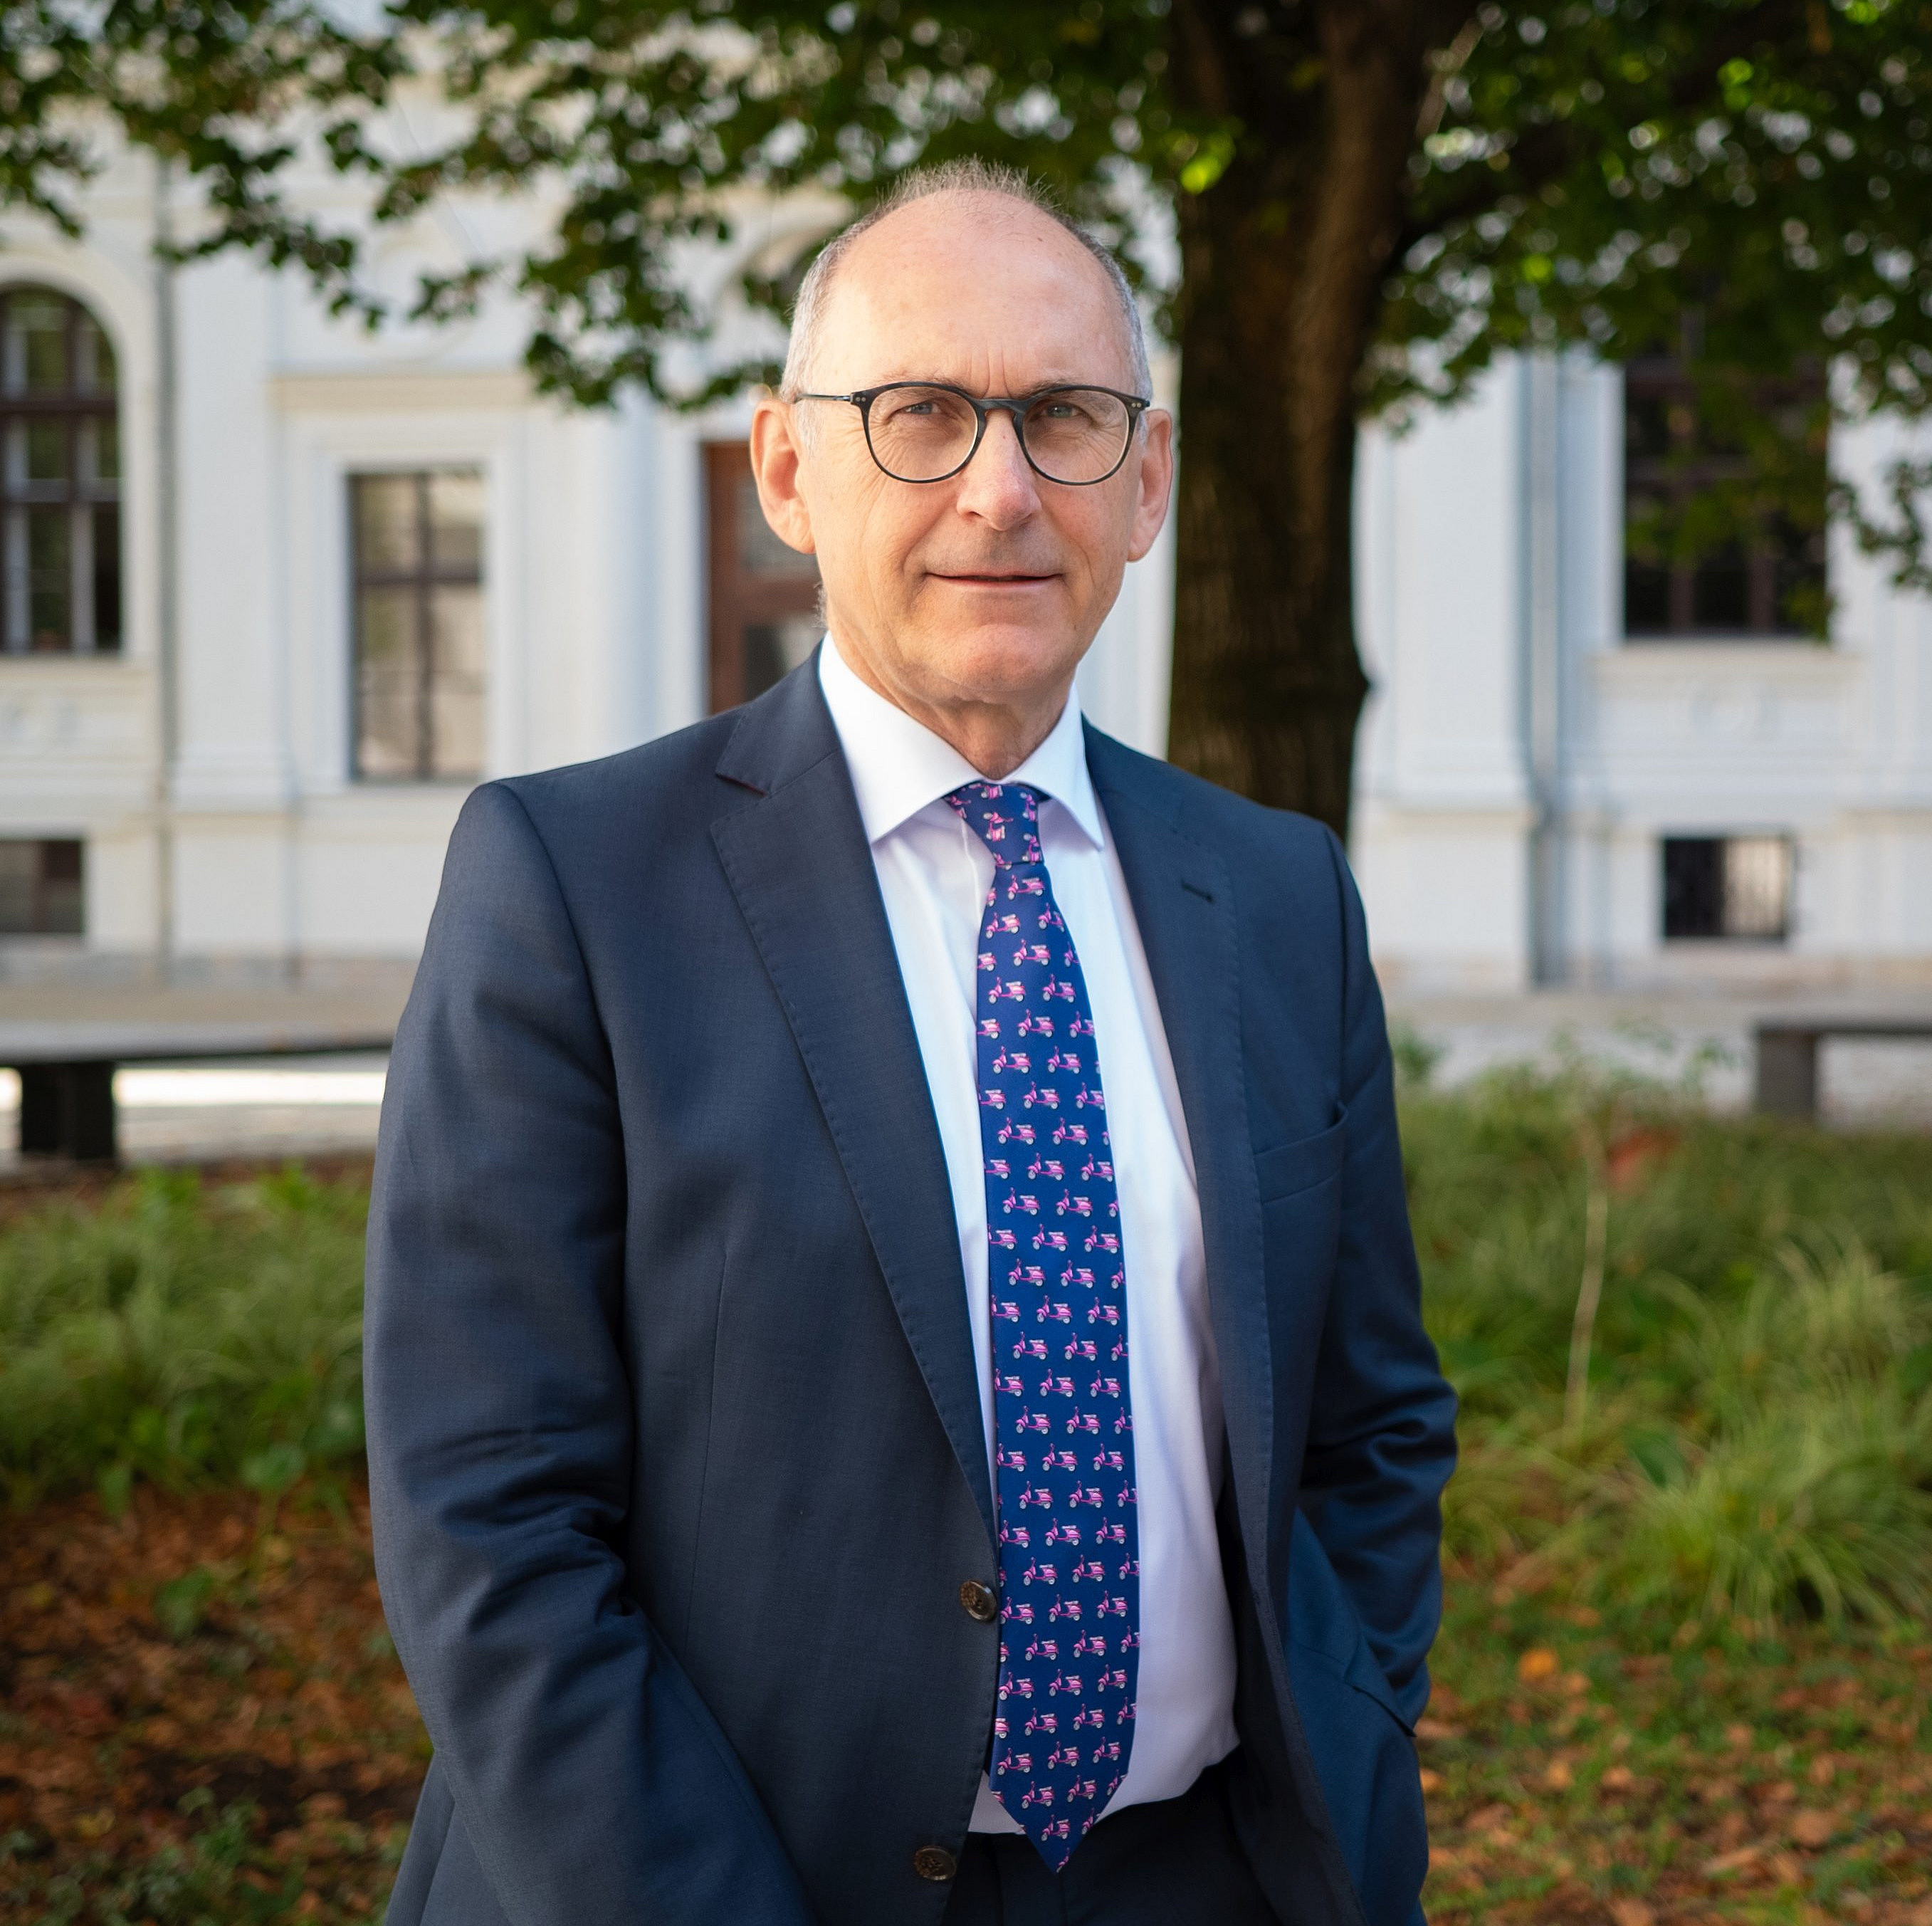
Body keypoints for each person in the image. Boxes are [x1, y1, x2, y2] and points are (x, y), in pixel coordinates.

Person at [362, 161, 1456, 1926]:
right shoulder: (572, 883)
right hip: (710, 1888)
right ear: (789, 470)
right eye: (923, 414)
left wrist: (1358, 1721)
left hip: (1202, 1882)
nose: (1001, 490)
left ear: (1150, 478)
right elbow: (486, 1514)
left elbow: (1369, 1422)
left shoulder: (1273, 896)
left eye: (1065, 418)